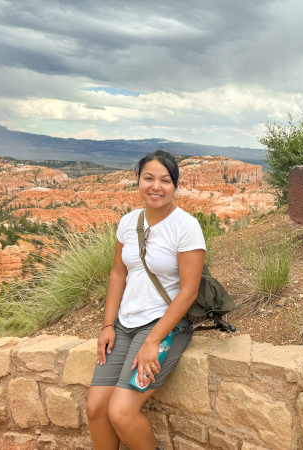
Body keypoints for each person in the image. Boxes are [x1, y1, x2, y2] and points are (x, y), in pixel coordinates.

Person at [86, 150, 206, 450]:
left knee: (121, 412)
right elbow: (117, 274)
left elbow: (189, 291)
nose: (156, 187)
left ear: (175, 185)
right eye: (148, 178)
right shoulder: (128, 222)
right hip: (125, 325)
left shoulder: (186, 227)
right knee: (96, 409)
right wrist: (108, 324)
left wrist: (153, 341)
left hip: (164, 328)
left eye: (165, 180)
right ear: (138, 181)